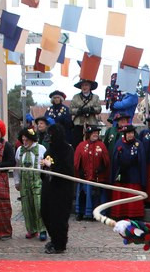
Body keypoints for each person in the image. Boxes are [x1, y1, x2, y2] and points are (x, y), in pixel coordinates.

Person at [40, 120, 75, 254]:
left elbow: (68, 171)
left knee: (59, 217)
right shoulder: (49, 150)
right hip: (49, 189)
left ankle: (59, 244)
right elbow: (43, 172)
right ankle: (54, 239)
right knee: (46, 213)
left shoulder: (67, 149)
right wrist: (43, 166)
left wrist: (51, 166)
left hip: (62, 190)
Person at [73, 124, 111, 221]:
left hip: (98, 176)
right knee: (83, 193)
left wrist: (102, 167)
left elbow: (106, 160)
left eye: (97, 133)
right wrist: (80, 170)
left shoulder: (101, 145)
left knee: (99, 193)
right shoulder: (81, 145)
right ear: (88, 134)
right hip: (84, 177)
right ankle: (81, 213)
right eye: (93, 133)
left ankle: (99, 214)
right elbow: (76, 160)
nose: (95, 135)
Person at [110, 124, 146, 222]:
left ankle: (134, 215)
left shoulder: (138, 144)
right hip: (122, 173)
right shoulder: (119, 143)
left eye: (132, 133)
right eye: (128, 133)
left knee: (133, 193)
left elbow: (142, 161)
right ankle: (120, 214)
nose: (130, 135)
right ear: (125, 134)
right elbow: (114, 160)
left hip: (134, 174)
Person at [70, 79, 102, 148]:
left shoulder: (95, 97)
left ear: (90, 86)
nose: (84, 87)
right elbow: (71, 110)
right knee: (77, 144)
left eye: (86, 85)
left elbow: (99, 109)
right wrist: (79, 111)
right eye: (82, 85)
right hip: (79, 124)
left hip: (91, 123)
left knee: (92, 144)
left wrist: (91, 110)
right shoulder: (76, 97)